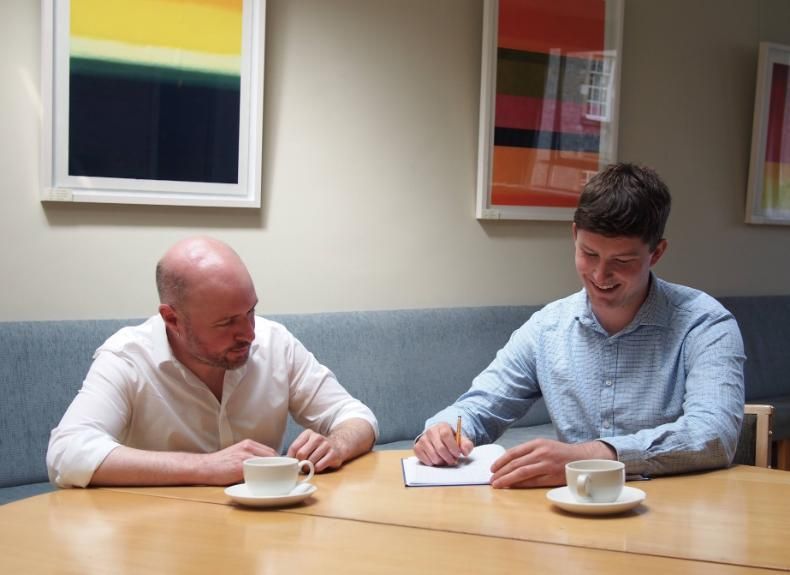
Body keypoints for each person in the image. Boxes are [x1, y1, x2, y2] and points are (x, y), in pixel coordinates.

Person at [414, 163, 745, 488]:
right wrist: (444, 430)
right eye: (589, 254)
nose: (600, 276)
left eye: (623, 261)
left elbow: (714, 434)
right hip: (573, 516)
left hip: (677, 512)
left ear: (656, 253)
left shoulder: (704, 324)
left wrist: (588, 457)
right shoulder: (548, 329)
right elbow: (479, 408)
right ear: (574, 236)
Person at [47, 236, 378, 488]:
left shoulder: (275, 341)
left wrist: (336, 444)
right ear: (172, 319)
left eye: (250, 311)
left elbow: (356, 416)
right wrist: (206, 467)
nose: (248, 333)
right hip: (159, 538)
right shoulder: (127, 357)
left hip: (265, 537)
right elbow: (67, 452)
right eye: (226, 323)